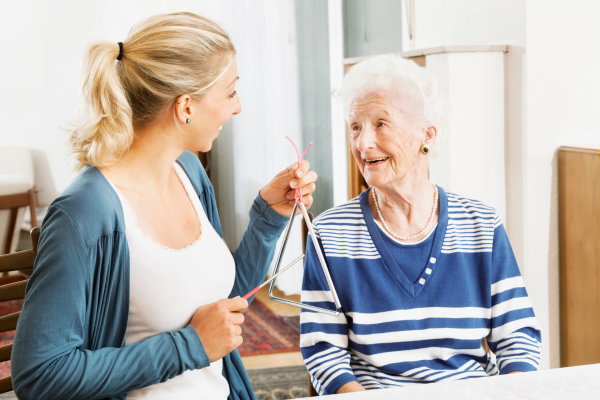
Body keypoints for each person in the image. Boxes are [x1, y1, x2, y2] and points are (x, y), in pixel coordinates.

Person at [11, 12, 317, 400]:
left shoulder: (189, 171)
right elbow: (40, 375)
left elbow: (221, 311)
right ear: (186, 106)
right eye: (230, 92)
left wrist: (270, 216)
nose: (237, 107)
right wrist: (190, 346)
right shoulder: (85, 213)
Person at [299, 54, 541, 395]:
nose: (363, 143)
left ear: (426, 134)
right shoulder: (330, 233)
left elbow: (517, 336)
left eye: (381, 123)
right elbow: (323, 352)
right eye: (356, 126)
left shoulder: (480, 225)